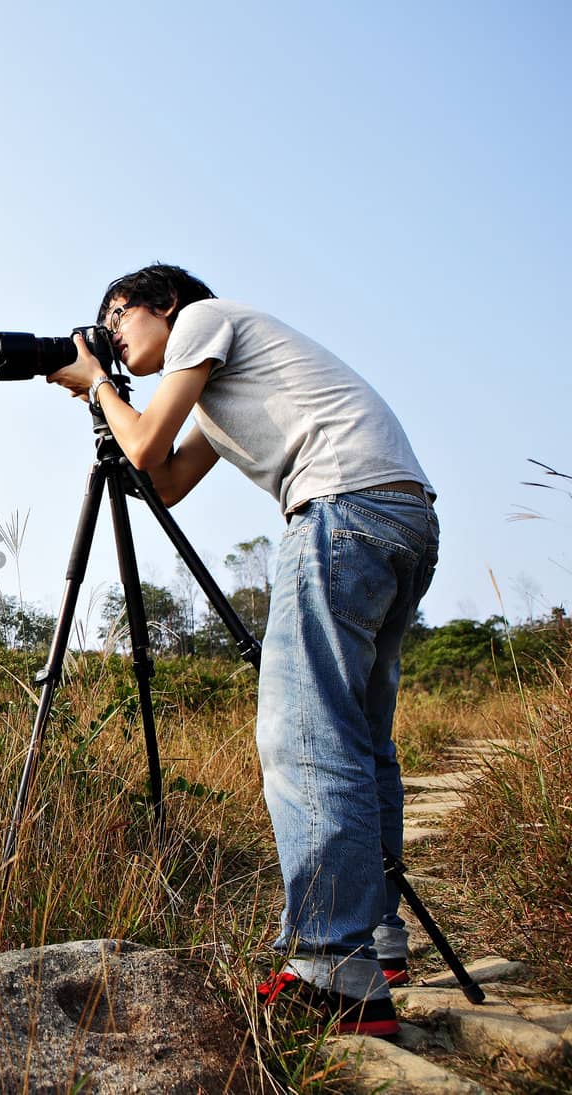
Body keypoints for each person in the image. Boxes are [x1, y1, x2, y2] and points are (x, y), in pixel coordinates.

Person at [45, 264, 439, 1039]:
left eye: (118, 314)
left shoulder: (202, 320)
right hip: (402, 518)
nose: (113, 332)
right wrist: (106, 412)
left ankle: (334, 968)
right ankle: (379, 942)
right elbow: (167, 480)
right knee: (360, 741)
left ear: (164, 303)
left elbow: (149, 437)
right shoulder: (230, 383)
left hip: (338, 515)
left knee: (303, 737)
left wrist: (101, 388)